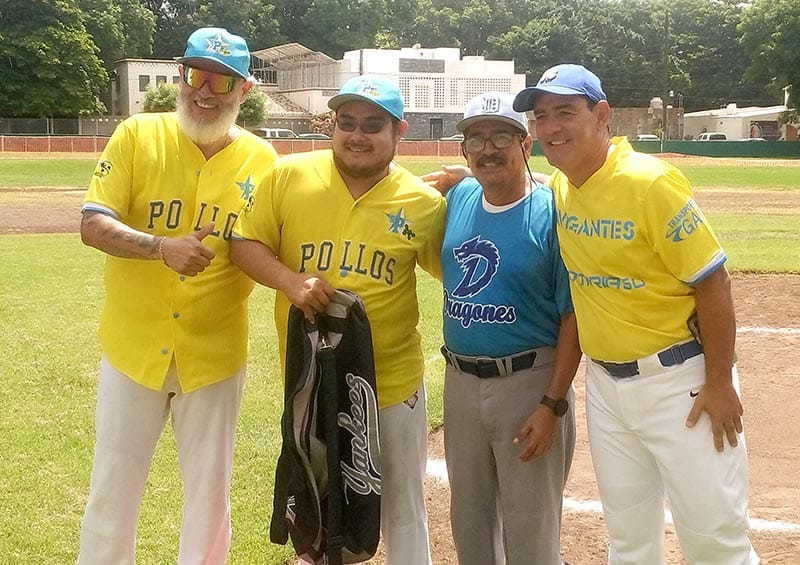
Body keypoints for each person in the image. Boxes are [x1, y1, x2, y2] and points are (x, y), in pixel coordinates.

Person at [512, 64, 759, 564]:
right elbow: (528, 185)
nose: (551, 127)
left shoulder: (650, 183)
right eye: (541, 117)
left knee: (715, 542)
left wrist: (718, 381)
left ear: (602, 115)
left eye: (565, 112)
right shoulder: (564, 186)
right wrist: (462, 178)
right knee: (629, 541)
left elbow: (713, 281)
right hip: (607, 388)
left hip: (681, 384)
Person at [77, 27, 279, 565]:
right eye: (195, 74)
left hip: (213, 355)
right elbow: (93, 223)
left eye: (221, 79)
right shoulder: (138, 135)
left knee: (210, 499)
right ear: (180, 75)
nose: (204, 90)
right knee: (111, 492)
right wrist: (158, 247)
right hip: (132, 348)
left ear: (246, 89)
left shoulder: (264, 161)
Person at [229, 75, 446, 565]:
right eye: (346, 123)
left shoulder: (423, 203)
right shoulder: (289, 175)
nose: (357, 134)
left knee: (403, 511)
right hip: (312, 381)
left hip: (389, 385)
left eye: (373, 125)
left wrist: (479, 186)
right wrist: (288, 281)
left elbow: (460, 271)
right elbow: (244, 243)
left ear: (399, 132)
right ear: (332, 127)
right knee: (318, 503)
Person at [439, 91, 581, 565]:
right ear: (464, 151)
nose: (488, 147)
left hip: (529, 383)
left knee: (531, 530)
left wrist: (552, 403)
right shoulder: (460, 195)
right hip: (459, 383)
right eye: (475, 138)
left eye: (502, 134)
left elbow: (572, 317)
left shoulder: (553, 212)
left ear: (526, 145)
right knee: (470, 524)